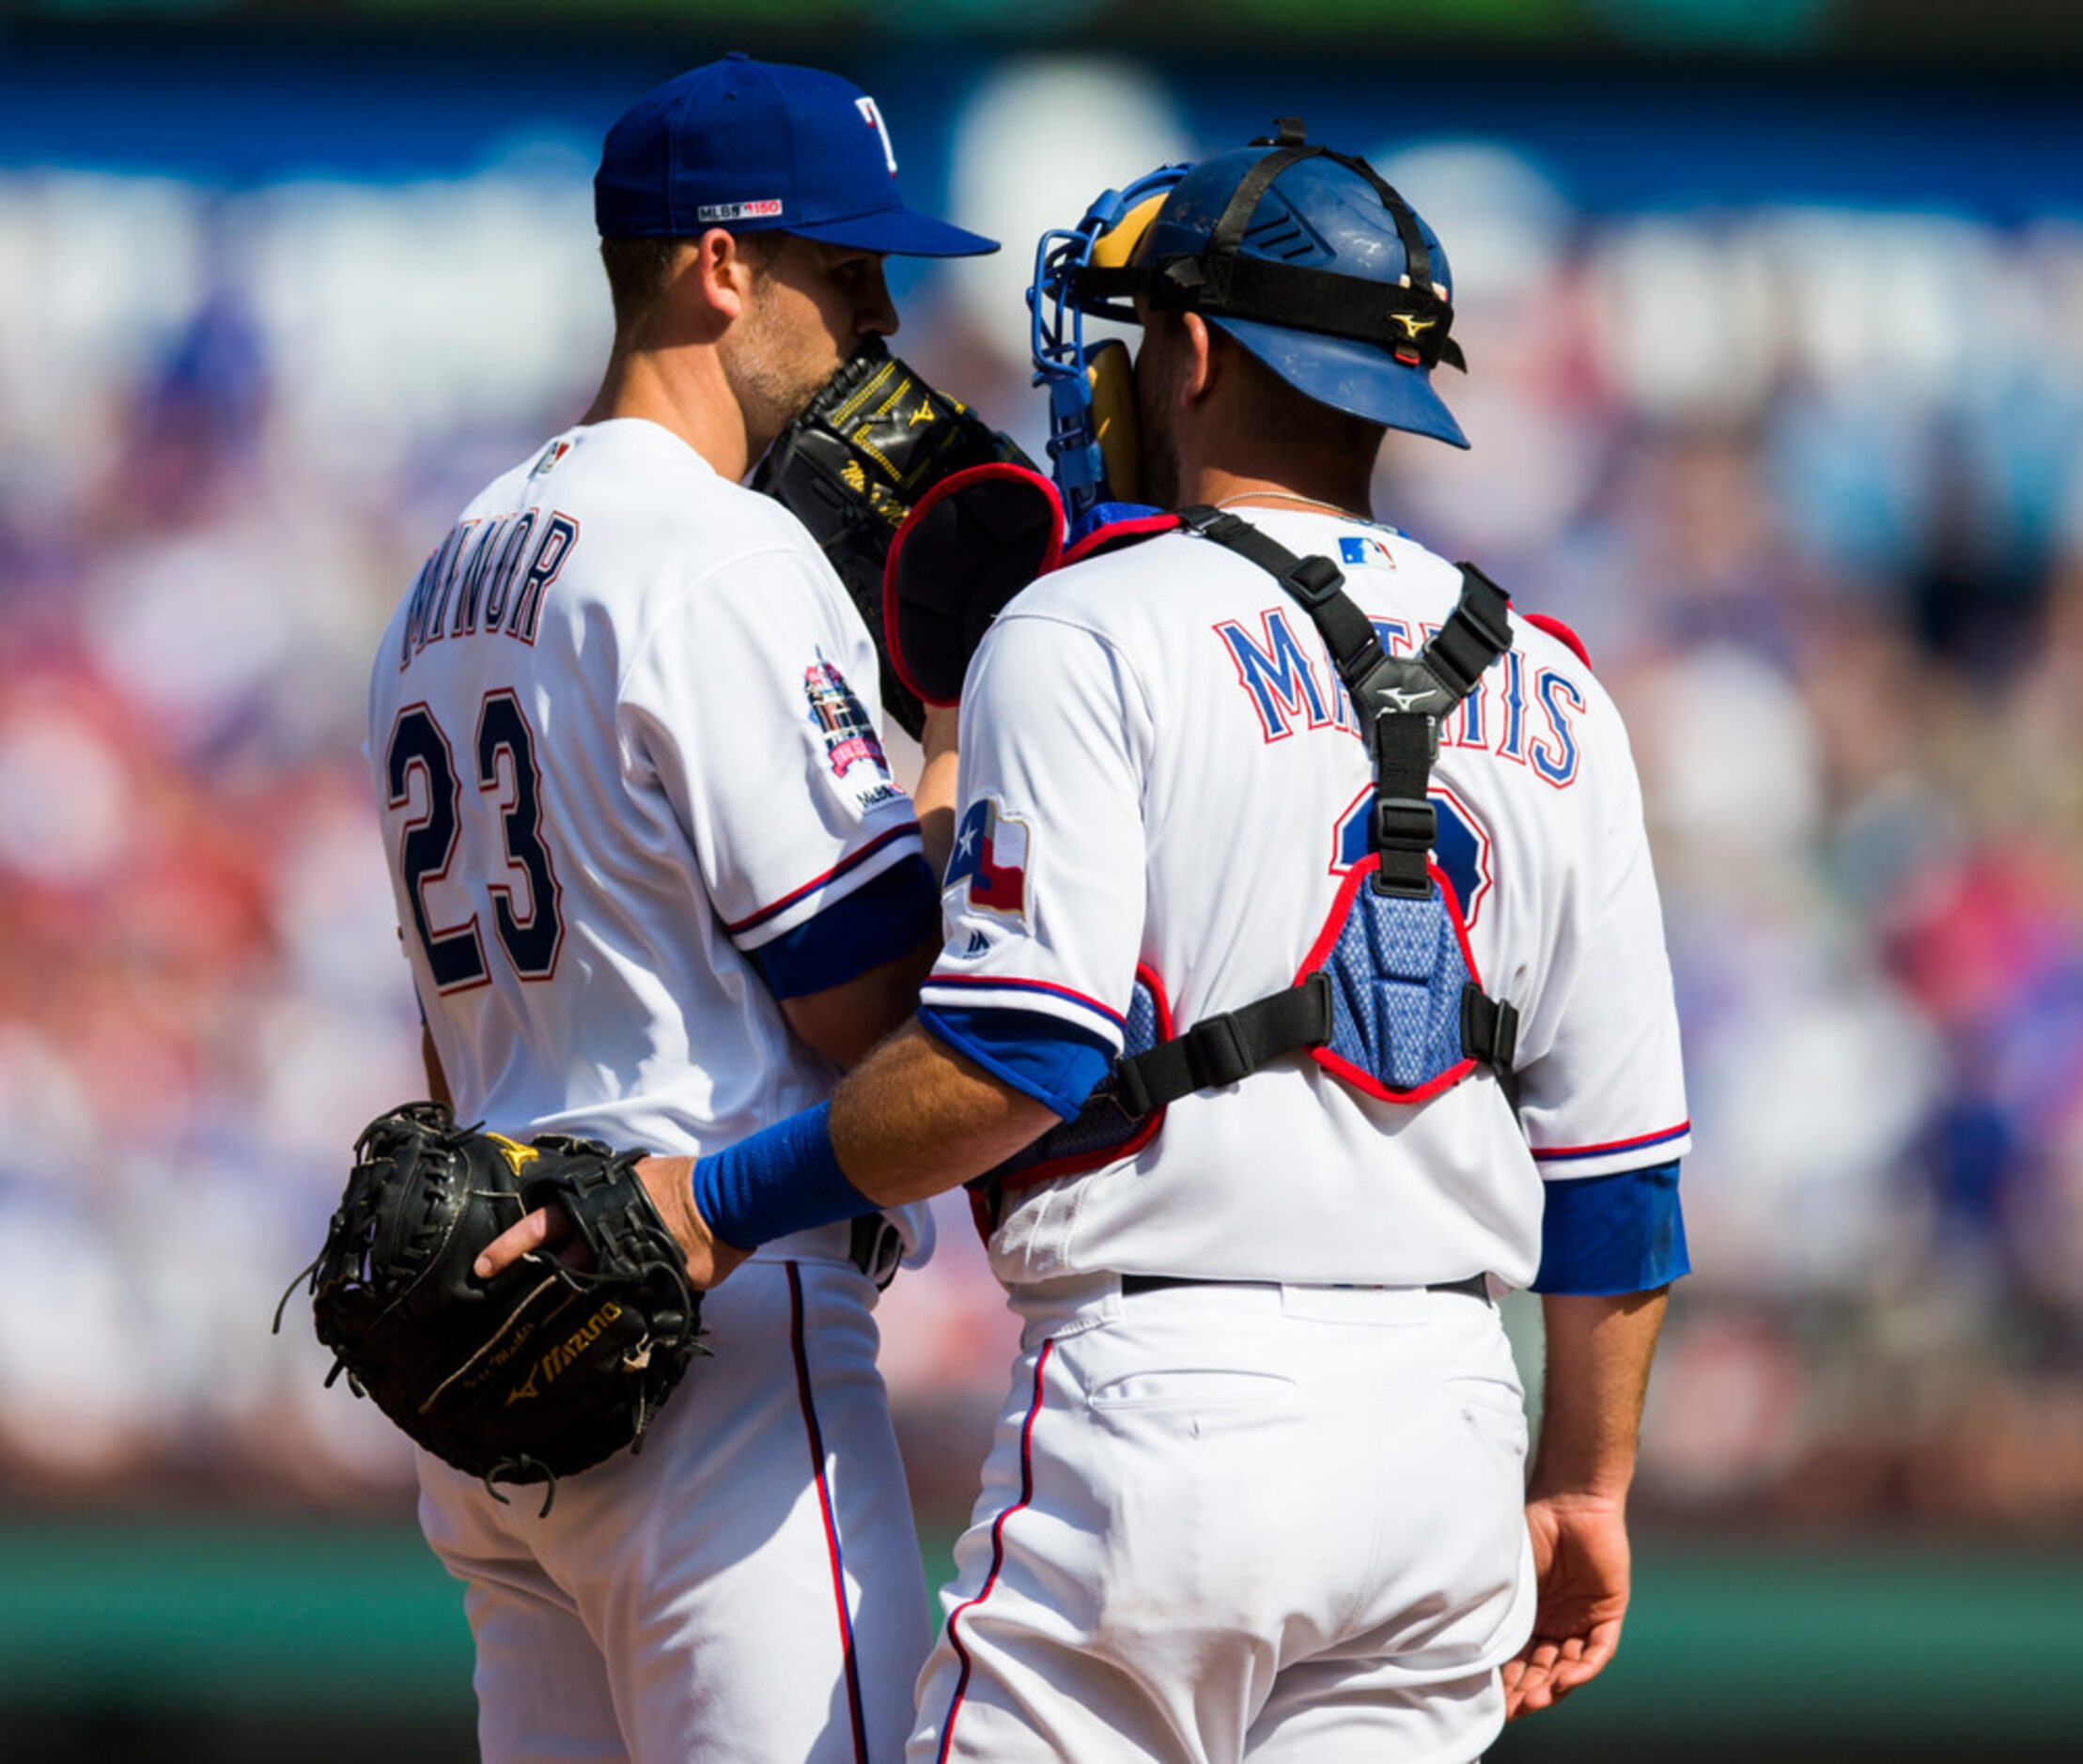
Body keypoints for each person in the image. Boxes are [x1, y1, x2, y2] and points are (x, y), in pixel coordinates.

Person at [490, 132, 1692, 1763]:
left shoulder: (1087, 620)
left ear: (1190, 352)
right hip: (1450, 1430)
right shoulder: (1557, 681)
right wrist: (1583, 1481)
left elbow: (1017, 1056)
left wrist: (713, 1200)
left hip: (1168, 1404)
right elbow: (1618, 1177)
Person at [365, 54, 994, 1763]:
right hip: (705, 1325)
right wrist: (950, 736)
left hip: (492, 1349)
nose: (878, 324)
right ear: (721, 265)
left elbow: (445, 1036)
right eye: (847, 272)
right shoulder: (716, 553)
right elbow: (876, 1016)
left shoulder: (448, 568)